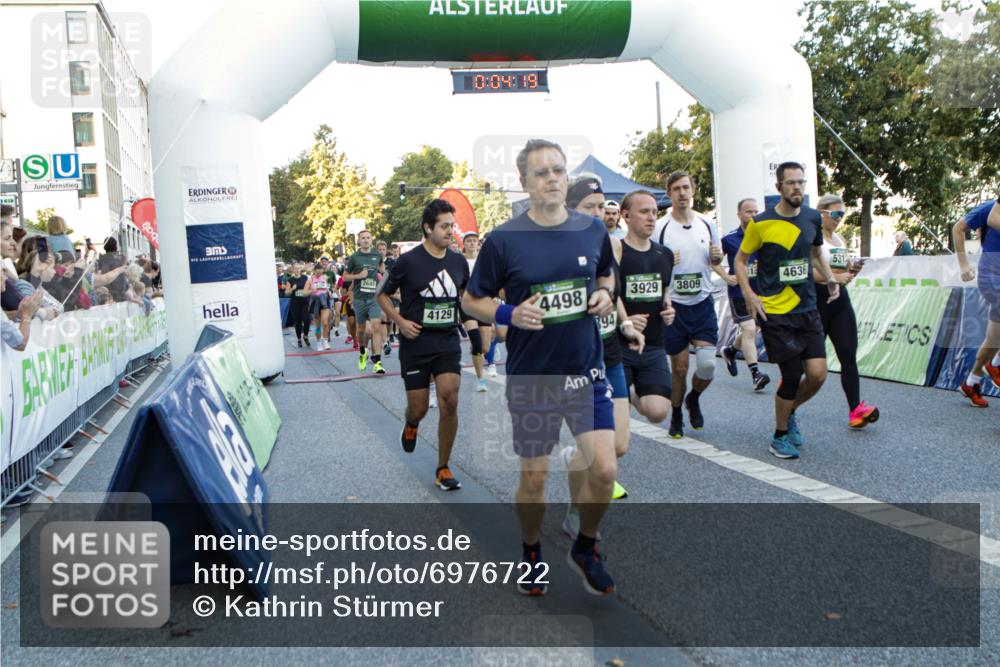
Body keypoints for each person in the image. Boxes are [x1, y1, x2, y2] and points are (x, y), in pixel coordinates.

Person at [463, 139, 617, 596]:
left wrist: (606, 294)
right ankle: (531, 549)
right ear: (525, 183)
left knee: (605, 469)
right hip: (535, 378)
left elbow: (608, 274)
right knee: (535, 477)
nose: (552, 179)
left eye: (558, 170)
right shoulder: (504, 240)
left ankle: (585, 546)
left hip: (587, 371)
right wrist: (510, 315)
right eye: (541, 173)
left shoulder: (591, 229)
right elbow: (471, 300)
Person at [735, 161, 840, 459]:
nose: (797, 187)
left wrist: (831, 278)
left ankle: (789, 409)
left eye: (801, 182)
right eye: (791, 182)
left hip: (807, 307)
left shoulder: (811, 218)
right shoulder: (761, 223)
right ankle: (779, 435)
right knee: (792, 375)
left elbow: (815, 252)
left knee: (818, 375)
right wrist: (750, 295)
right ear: (779, 187)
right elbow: (740, 261)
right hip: (775, 311)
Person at [565, 181, 649, 523]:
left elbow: (612, 291)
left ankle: (576, 456)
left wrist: (626, 324)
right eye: (590, 207)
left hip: (610, 350)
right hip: (576, 356)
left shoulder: (612, 246)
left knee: (619, 446)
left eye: (602, 206)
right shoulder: (558, 248)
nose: (599, 214)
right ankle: (575, 511)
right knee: (593, 449)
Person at [378, 200, 468, 491]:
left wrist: (475, 330)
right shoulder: (409, 261)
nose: (450, 231)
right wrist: (400, 321)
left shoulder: (457, 261)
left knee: (449, 398)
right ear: (428, 228)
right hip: (416, 342)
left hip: (446, 340)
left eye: (452, 226)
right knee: (418, 408)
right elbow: (383, 295)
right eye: (444, 226)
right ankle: (411, 423)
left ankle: (443, 468)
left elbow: (465, 300)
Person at [653, 172, 728, 439]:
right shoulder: (661, 227)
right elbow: (651, 266)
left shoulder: (707, 224)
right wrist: (665, 262)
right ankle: (675, 415)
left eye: (686, 187)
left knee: (707, 366)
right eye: (676, 189)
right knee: (680, 369)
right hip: (674, 306)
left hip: (702, 303)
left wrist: (716, 257)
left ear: (693, 190)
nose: (682, 193)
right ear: (669, 193)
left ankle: (693, 398)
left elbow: (715, 259)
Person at [814, 194, 879, 428]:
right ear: (821, 213)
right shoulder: (813, 238)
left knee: (848, 354)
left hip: (840, 301)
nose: (839, 219)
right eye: (835, 214)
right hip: (817, 300)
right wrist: (833, 277)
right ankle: (788, 404)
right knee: (811, 365)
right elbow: (807, 273)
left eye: (843, 214)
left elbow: (844, 275)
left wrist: (852, 270)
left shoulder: (839, 239)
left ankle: (855, 411)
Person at [953, 197, 1000, 406]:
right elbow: (958, 228)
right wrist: (964, 265)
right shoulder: (990, 207)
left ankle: (972, 382)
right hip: (992, 276)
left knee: (993, 339)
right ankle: (997, 364)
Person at [721, 198, 771, 391]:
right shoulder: (729, 239)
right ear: (739, 214)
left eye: (756, 212)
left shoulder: (763, 236)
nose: (753, 216)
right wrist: (725, 275)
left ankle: (730, 350)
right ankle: (756, 374)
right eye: (749, 212)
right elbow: (713, 259)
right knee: (749, 329)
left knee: (752, 330)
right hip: (739, 292)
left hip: (760, 292)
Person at [343, 230, 387, 374]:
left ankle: (378, 362)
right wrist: (358, 275)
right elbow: (345, 277)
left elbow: (381, 268)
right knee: (361, 330)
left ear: (371, 239)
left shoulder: (376, 254)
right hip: (359, 299)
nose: (366, 240)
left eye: (368, 237)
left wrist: (381, 276)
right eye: (363, 238)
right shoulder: (355, 257)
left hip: (373, 298)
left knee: (376, 327)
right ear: (359, 241)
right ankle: (363, 352)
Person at [459, 230, 490, 392]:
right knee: (477, 343)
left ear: (478, 243)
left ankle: (477, 351)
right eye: (468, 241)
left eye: (474, 241)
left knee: (485, 347)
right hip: (467, 304)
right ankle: (481, 379)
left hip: (484, 304)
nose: (472, 243)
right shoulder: (460, 261)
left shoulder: (484, 261)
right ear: (463, 244)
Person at [307, 262, 334, 350]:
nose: (319, 274)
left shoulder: (324, 278)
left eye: (320, 273)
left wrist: (329, 292)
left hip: (325, 301)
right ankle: (319, 342)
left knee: (325, 323)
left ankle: (325, 341)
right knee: (318, 325)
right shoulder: (310, 279)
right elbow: (304, 293)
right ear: (314, 271)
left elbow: (326, 288)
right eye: (317, 273)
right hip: (315, 301)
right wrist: (311, 290)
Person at [284, 262, 311, 347]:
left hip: (304, 302)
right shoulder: (290, 280)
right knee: (298, 322)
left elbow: (309, 288)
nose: (297, 270)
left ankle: (305, 336)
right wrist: (292, 289)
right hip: (295, 304)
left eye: (299, 268)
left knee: (307, 320)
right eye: (295, 268)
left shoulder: (305, 278)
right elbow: (286, 293)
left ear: (301, 269)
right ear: (293, 269)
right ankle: (299, 339)